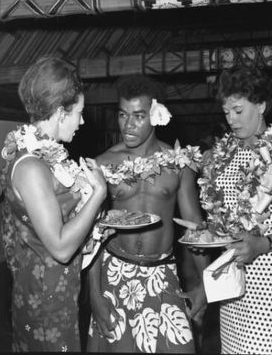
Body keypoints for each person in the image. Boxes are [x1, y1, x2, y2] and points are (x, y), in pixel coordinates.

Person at [187, 66, 272, 354]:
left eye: (237, 110)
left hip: (268, 288)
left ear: (260, 105)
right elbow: (223, 215)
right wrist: (208, 234)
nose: (230, 119)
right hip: (232, 287)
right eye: (226, 112)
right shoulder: (224, 156)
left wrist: (263, 244)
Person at [87, 74, 209, 353]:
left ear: (156, 115)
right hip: (114, 274)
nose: (128, 125)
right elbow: (92, 234)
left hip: (162, 274)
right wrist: (94, 294)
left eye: (138, 116)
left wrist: (205, 284)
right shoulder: (103, 164)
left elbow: (195, 228)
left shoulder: (180, 164)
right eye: (122, 114)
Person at [0, 56, 112, 352]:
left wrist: (94, 226)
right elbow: (61, 247)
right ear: (61, 112)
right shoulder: (32, 167)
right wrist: (98, 194)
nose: (83, 121)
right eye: (79, 112)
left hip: (57, 295)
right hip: (43, 304)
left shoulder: (45, 158)